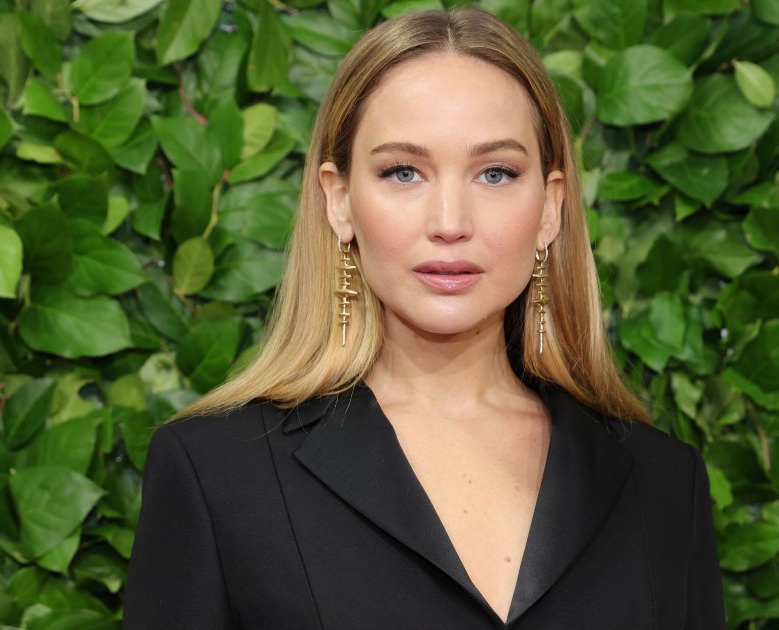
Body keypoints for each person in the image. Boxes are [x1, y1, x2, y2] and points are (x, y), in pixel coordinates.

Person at [123, 7, 725, 629]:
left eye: (496, 173)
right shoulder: (216, 474)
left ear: (550, 208)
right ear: (339, 200)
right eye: (403, 172)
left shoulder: (664, 485)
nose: (450, 222)